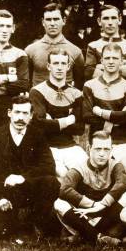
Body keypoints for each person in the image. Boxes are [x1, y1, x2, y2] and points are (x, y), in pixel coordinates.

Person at [0, 95, 60, 239]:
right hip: (1, 192)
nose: (20, 118)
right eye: (17, 112)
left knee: (51, 182)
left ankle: (31, 222)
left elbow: (49, 166)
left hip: (26, 189)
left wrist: (23, 177)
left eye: (25, 113)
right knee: (1, 232)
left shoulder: (37, 135)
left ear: (31, 115)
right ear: (9, 113)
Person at [53, 130, 126, 246]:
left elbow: (122, 184)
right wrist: (92, 205)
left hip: (108, 214)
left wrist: (102, 204)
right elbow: (64, 189)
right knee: (59, 203)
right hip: (86, 214)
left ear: (111, 150)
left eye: (106, 149)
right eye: (98, 149)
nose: (102, 154)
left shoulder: (115, 165)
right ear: (89, 148)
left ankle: (86, 235)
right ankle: (100, 236)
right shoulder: (79, 167)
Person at [29, 48, 87, 180]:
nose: (59, 67)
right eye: (55, 63)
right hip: (46, 147)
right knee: (63, 176)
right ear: (49, 66)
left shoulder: (76, 94)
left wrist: (52, 121)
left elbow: (80, 129)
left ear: (68, 67)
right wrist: (69, 119)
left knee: (86, 175)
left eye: (63, 64)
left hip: (70, 146)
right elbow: (39, 125)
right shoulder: (37, 92)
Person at [82, 43, 126, 180]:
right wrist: (117, 117)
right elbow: (87, 116)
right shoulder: (90, 85)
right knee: (97, 173)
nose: (111, 61)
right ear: (101, 61)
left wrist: (100, 112)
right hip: (98, 138)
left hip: (123, 138)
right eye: (107, 58)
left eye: (115, 58)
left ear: (122, 61)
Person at [26, 3, 85, 89]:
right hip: (38, 101)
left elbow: (79, 85)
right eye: (48, 19)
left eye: (56, 19)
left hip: (65, 100)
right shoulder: (30, 50)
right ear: (43, 22)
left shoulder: (75, 51)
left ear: (64, 21)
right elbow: (26, 83)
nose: (52, 23)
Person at [85, 5, 126, 82]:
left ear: (120, 20)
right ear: (99, 21)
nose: (110, 22)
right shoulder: (93, 46)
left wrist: (100, 67)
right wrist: (122, 65)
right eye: (106, 18)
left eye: (113, 18)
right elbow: (89, 72)